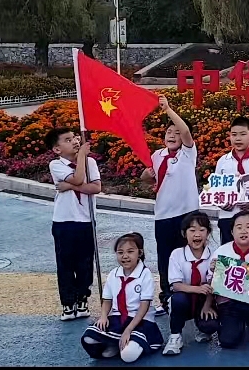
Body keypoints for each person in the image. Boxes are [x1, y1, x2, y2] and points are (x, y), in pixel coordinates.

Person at [140, 95, 198, 317]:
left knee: (190, 256)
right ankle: (167, 298)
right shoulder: (157, 155)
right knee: (165, 258)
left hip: (187, 215)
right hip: (163, 216)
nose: (172, 135)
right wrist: (146, 176)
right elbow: (149, 179)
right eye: (168, 132)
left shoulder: (187, 153)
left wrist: (168, 110)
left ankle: (193, 298)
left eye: (176, 132)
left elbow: (186, 132)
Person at [45, 127, 102, 321]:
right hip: (64, 221)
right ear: (57, 149)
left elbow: (96, 187)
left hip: (86, 220)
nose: (75, 141)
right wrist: (81, 159)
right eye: (68, 140)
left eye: (75, 137)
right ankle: (68, 303)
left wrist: (69, 186)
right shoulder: (56, 164)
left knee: (85, 263)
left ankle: (82, 298)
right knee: (65, 263)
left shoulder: (90, 162)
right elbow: (78, 178)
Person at [80, 233, 163, 362]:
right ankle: (115, 343)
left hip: (139, 321)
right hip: (118, 318)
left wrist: (128, 330)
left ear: (139, 253)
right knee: (88, 338)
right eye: (120, 252)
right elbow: (107, 300)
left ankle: (130, 343)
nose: (125, 256)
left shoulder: (145, 274)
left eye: (130, 251)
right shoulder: (114, 274)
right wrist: (103, 316)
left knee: (128, 356)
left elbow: (144, 306)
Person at [213, 210, 249, 350]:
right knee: (228, 341)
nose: (244, 231)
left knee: (246, 297)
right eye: (239, 227)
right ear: (232, 232)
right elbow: (211, 283)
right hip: (228, 302)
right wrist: (213, 271)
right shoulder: (221, 252)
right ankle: (235, 324)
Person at [162, 212, 218, 355]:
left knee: (211, 324)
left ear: (208, 233)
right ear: (184, 233)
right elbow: (176, 285)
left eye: (202, 230)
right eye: (192, 230)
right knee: (178, 300)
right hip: (184, 296)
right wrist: (197, 289)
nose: (197, 234)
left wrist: (207, 305)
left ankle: (202, 328)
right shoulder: (176, 254)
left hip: (204, 298)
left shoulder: (214, 254)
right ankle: (175, 335)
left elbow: (215, 284)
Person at [214, 117, 249, 244]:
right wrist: (221, 202)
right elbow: (216, 189)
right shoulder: (223, 161)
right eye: (234, 135)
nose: (238, 138)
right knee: (228, 252)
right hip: (228, 216)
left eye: (243, 134)